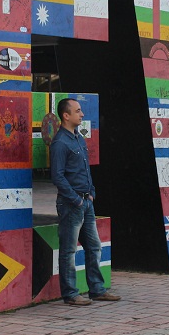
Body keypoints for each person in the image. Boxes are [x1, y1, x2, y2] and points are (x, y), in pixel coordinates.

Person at [50, 98, 119, 305]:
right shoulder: (60, 143)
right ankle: (70, 294)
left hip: (85, 201)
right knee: (69, 250)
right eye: (78, 111)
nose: (82, 114)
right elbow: (57, 176)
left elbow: (85, 170)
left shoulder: (78, 138)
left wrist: (91, 193)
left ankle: (97, 290)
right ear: (66, 115)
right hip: (71, 204)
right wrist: (75, 199)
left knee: (94, 246)